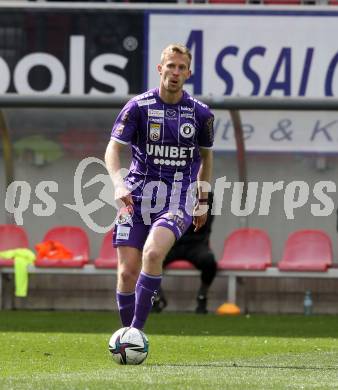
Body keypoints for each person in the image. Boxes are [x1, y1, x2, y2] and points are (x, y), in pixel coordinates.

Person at [105, 43, 214, 330]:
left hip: (177, 198)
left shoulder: (201, 114)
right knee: (127, 273)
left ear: (189, 73)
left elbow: (207, 158)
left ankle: (135, 334)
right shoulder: (138, 107)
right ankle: (129, 337)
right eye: (171, 66)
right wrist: (118, 184)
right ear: (160, 68)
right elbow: (112, 149)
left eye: (181, 68)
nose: (175, 72)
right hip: (136, 198)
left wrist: (202, 199)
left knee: (152, 254)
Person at [153, 192, 217, 314]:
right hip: (172, 242)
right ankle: (156, 297)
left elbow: (204, 222)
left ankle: (202, 296)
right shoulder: (172, 190)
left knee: (209, 261)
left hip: (196, 244)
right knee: (150, 257)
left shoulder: (205, 195)